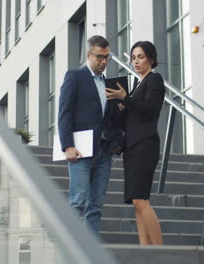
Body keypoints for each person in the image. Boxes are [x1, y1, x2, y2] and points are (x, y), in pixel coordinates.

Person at [58, 35, 122, 235]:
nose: (104, 62)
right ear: (89, 55)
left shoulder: (111, 84)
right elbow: (64, 112)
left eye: (107, 57)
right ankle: (69, 250)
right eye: (99, 57)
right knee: (77, 201)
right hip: (81, 151)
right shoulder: (75, 77)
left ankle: (90, 251)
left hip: (104, 152)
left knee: (96, 206)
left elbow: (112, 119)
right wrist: (67, 145)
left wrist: (117, 141)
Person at [105, 41, 165, 245]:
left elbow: (150, 109)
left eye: (140, 56)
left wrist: (127, 99)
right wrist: (122, 106)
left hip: (145, 145)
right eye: (133, 57)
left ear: (151, 58)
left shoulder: (155, 80)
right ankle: (145, 251)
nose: (136, 61)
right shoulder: (137, 85)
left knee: (141, 200)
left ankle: (161, 253)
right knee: (137, 203)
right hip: (131, 147)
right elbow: (129, 121)